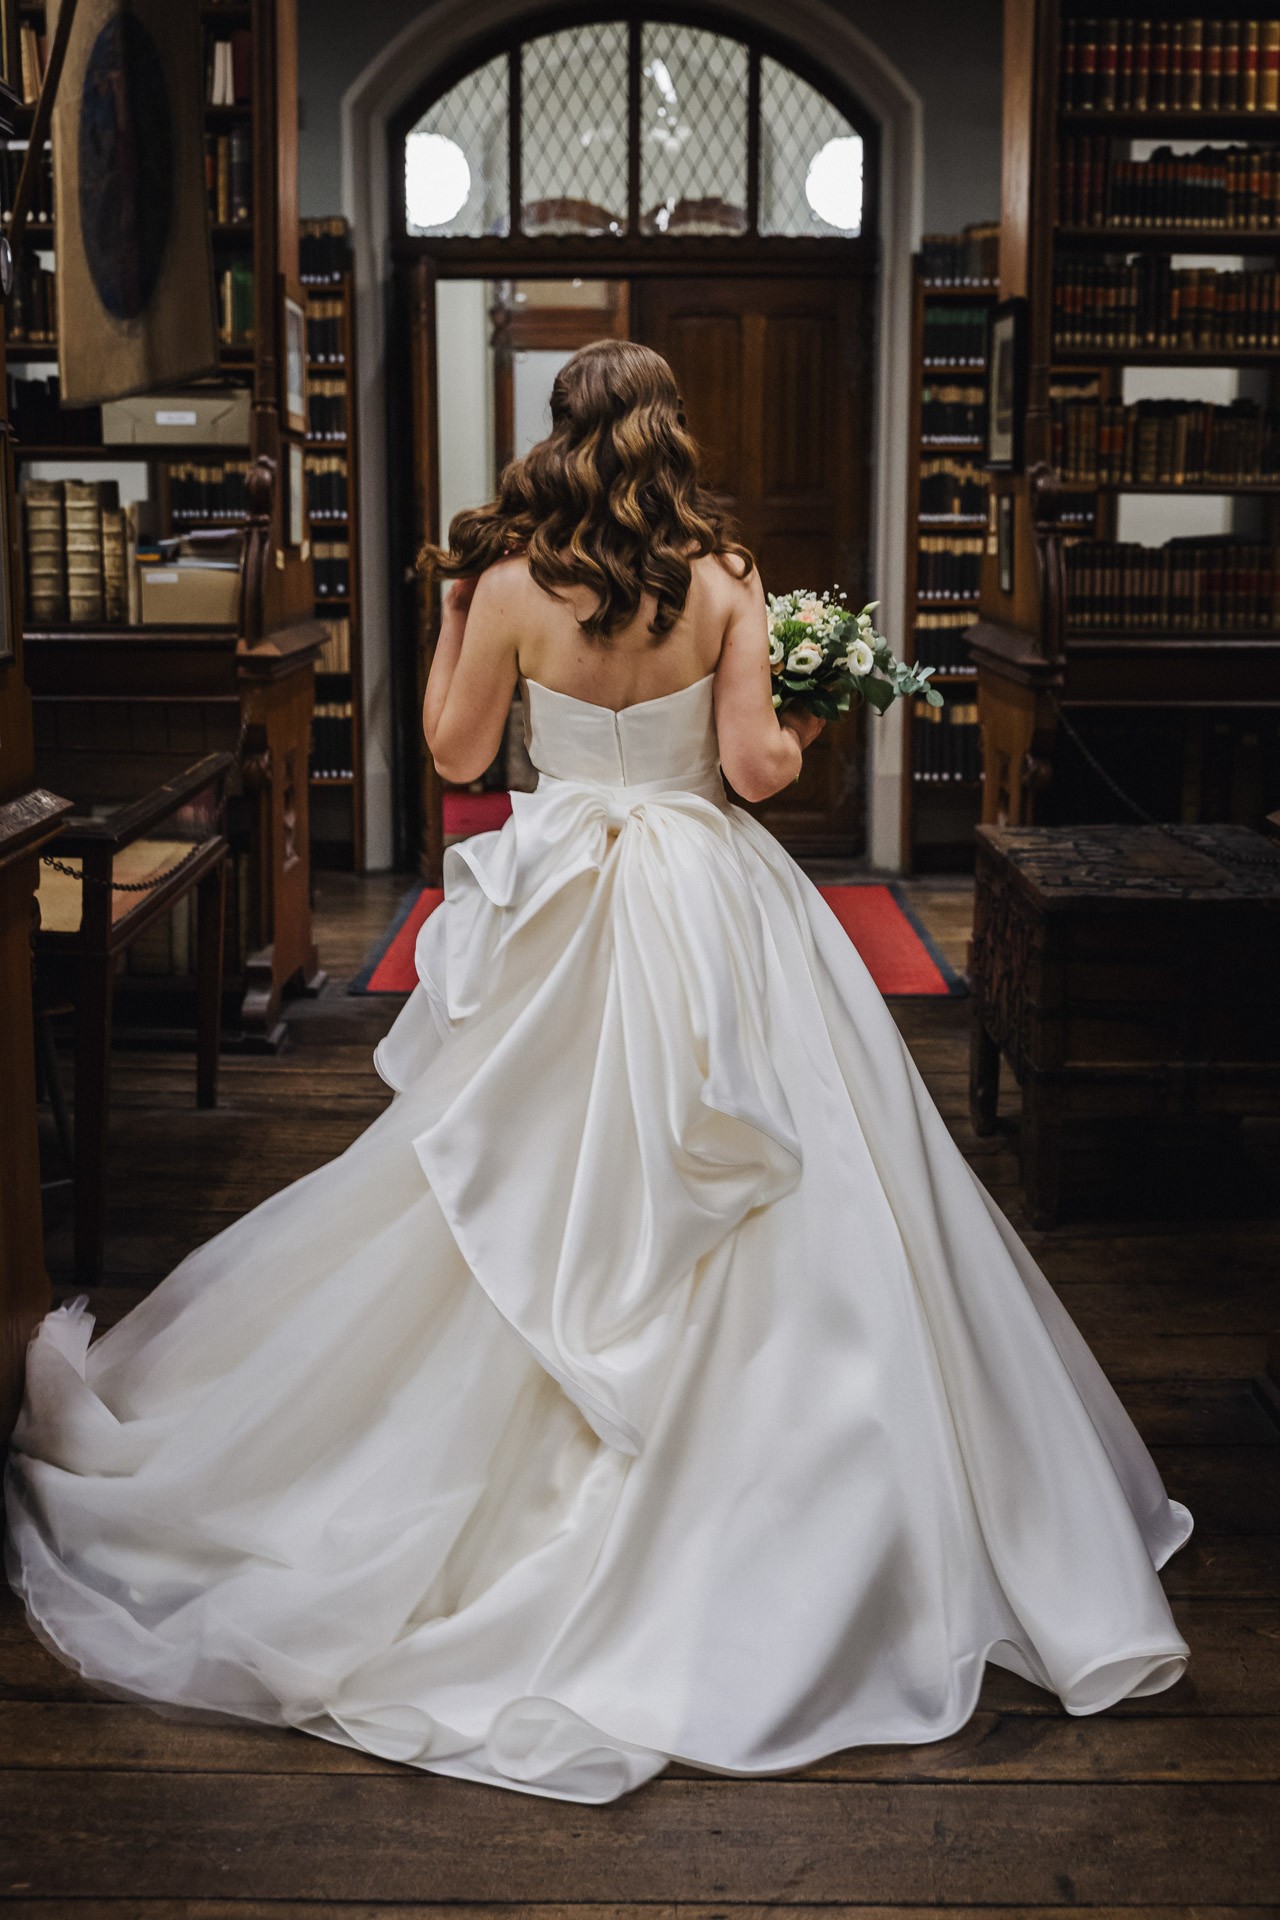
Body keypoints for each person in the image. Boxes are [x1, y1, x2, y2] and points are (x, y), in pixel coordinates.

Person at [5, 339, 1191, 1805]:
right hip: (712, 898)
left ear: (556, 433)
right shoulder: (727, 581)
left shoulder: (507, 586)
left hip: (561, 892)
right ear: (671, 439)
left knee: (506, 1174)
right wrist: (806, 705)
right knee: (797, 1175)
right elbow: (759, 773)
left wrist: (454, 618)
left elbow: (456, 758)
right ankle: (798, 1512)